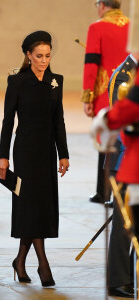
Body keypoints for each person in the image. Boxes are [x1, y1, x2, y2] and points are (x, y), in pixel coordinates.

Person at [0, 31, 69, 286]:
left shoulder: (56, 82)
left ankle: (20, 260)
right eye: (39, 56)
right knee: (29, 204)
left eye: (48, 56)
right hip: (25, 150)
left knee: (41, 205)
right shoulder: (17, 82)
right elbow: (8, 122)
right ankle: (43, 264)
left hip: (47, 150)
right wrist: (2, 157)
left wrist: (64, 154)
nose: (44, 61)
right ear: (28, 55)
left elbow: (58, 120)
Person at [81, 0, 129, 204]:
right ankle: (122, 191)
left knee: (106, 140)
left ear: (102, 5)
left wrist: (87, 96)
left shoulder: (97, 27)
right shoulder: (132, 25)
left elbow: (91, 64)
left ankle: (104, 192)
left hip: (106, 91)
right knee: (125, 140)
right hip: (130, 90)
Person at [106, 53, 138, 298]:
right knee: (123, 223)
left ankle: (128, 273)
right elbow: (119, 118)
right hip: (127, 156)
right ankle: (118, 279)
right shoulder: (124, 74)